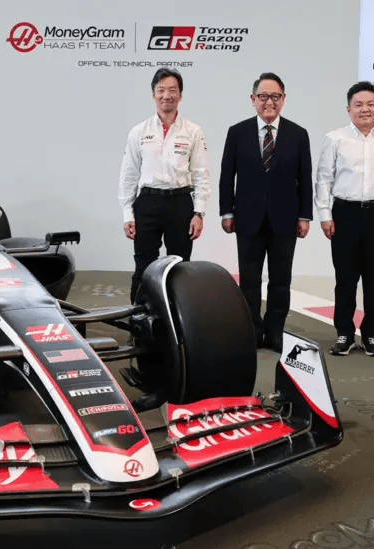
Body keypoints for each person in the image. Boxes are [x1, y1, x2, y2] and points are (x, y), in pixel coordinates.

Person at [314, 81, 374, 357]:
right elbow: (323, 180)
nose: (364, 109)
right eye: (358, 105)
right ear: (348, 109)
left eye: (371, 104)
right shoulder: (335, 139)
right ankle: (344, 333)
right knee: (345, 278)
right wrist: (324, 215)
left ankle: (371, 335)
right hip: (344, 214)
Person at [219, 72, 313, 353]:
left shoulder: (298, 134)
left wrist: (304, 216)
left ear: (283, 100)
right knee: (249, 280)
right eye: (263, 97)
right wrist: (227, 212)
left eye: (275, 97)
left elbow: (305, 178)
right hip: (247, 218)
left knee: (280, 280)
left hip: (285, 219)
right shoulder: (237, 132)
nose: (269, 102)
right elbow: (227, 176)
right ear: (253, 100)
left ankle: (275, 331)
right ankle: (252, 331)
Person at [119, 68, 211, 302]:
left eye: (172, 90)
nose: (166, 95)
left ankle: (179, 326)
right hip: (147, 203)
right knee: (144, 267)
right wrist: (127, 214)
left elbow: (201, 174)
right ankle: (140, 326)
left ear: (180, 95)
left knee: (179, 269)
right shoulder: (139, 132)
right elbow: (129, 174)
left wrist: (199, 213)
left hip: (180, 204)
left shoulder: (193, 131)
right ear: (153, 95)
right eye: (161, 90)